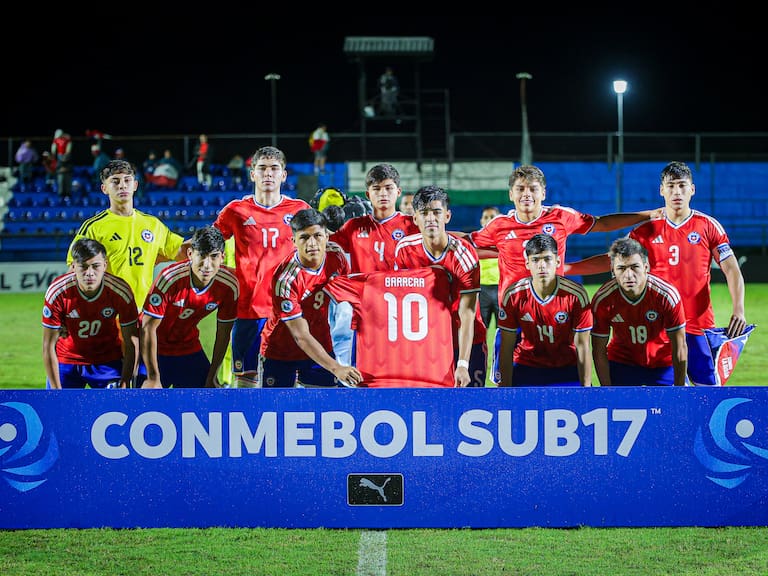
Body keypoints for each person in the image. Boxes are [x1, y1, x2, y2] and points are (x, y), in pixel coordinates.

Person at [466, 164, 660, 382]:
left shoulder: (561, 216)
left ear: (543, 192)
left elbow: (601, 223)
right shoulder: (499, 225)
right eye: (520, 189)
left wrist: (646, 215)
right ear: (511, 194)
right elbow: (467, 242)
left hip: (555, 318)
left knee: (562, 379)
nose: (526, 194)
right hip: (514, 318)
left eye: (533, 188)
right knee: (507, 385)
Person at [570, 161, 747, 386]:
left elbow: (731, 268)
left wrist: (739, 309)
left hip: (698, 325)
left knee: (708, 391)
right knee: (662, 393)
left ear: (692, 189)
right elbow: (613, 260)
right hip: (659, 326)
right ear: (661, 190)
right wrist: (568, 268)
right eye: (671, 186)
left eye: (682, 186)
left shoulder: (708, 226)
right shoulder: (645, 230)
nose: (677, 192)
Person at [212, 145, 311, 388]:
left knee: (289, 385)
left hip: (288, 312)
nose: (268, 174)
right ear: (252, 174)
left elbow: (318, 250)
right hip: (248, 311)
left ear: (283, 175)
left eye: (274, 169)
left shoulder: (300, 210)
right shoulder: (235, 211)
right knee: (247, 384)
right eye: (262, 169)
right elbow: (209, 245)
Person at [394, 185, 486, 387]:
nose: (430, 218)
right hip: (428, 344)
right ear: (415, 219)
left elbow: (467, 314)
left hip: (465, 342)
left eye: (436, 212)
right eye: (424, 213)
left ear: (447, 216)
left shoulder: (464, 256)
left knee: (469, 407)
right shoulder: (404, 250)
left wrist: (462, 363)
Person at [259, 208, 361, 388]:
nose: (312, 243)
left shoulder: (336, 257)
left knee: (325, 410)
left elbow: (349, 295)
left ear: (327, 236)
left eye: (317, 236)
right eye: (304, 237)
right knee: (278, 412)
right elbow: (301, 336)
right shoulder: (286, 279)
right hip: (281, 351)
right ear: (294, 241)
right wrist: (337, 368)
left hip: (321, 342)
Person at [67, 159, 185, 313]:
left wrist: (212, 238)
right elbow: (73, 270)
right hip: (107, 314)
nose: (122, 185)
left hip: (143, 313)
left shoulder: (153, 224)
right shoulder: (94, 227)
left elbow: (181, 251)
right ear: (104, 189)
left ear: (135, 185)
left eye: (127, 180)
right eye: (115, 181)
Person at [323, 267, 457, 388]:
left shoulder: (367, 281)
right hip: (435, 378)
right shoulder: (440, 276)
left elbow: (330, 286)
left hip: (375, 380)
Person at [140, 226, 239, 389]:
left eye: (214, 257)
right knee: (144, 404)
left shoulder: (229, 285)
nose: (207, 265)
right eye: (202, 255)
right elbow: (147, 328)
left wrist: (213, 376)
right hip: (154, 348)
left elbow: (223, 334)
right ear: (190, 254)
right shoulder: (170, 278)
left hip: (187, 347)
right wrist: (152, 377)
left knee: (209, 399)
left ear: (222, 257)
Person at [42, 238, 139, 389]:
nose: (90, 273)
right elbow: (48, 345)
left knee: (113, 410)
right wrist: (55, 391)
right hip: (66, 362)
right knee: (58, 411)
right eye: (83, 267)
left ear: (105, 265)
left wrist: (125, 381)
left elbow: (132, 342)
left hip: (107, 362)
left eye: (96, 266)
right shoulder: (58, 292)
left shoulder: (120, 292)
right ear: (73, 266)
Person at [497, 233, 593, 387]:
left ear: (558, 261)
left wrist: (586, 388)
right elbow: (507, 346)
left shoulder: (576, 295)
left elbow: (582, 346)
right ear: (527, 263)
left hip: (566, 367)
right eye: (535, 260)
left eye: (547, 259)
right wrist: (506, 388)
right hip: (526, 365)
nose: (542, 266)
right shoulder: (513, 295)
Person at [591, 237, 688, 386]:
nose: (628, 275)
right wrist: (607, 390)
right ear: (612, 271)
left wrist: (680, 389)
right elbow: (598, 349)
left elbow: (679, 345)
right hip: (622, 363)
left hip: (663, 364)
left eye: (634, 267)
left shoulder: (666, 296)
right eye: (621, 268)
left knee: (675, 407)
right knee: (619, 407)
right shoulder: (603, 299)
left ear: (646, 267)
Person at [330, 163, 418, 273]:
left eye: (388, 188)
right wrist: (327, 221)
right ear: (368, 194)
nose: (383, 194)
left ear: (398, 192)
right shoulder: (353, 226)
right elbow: (323, 244)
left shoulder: (413, 225)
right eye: (376, 189)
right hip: (361, 289)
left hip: (399, 289)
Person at [477, 205, 501, 329]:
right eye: (486, 217)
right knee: (480, 328)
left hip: (501, 290)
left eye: (492, 217)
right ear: (481, 221)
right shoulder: (474, 240)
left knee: (503, 330)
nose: (489, 220)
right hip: (481, 291)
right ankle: (481, 349)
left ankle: (502, 349)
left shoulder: (505, 240)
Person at [50, 128, 73, 198]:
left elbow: (69, 147)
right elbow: (53, 149)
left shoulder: (67, 140)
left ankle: (67, 194)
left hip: (67, 170)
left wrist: (66, 154)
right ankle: (61, 194)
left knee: (67, 183)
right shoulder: (56, 140)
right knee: (60, 182)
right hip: (60, 159)